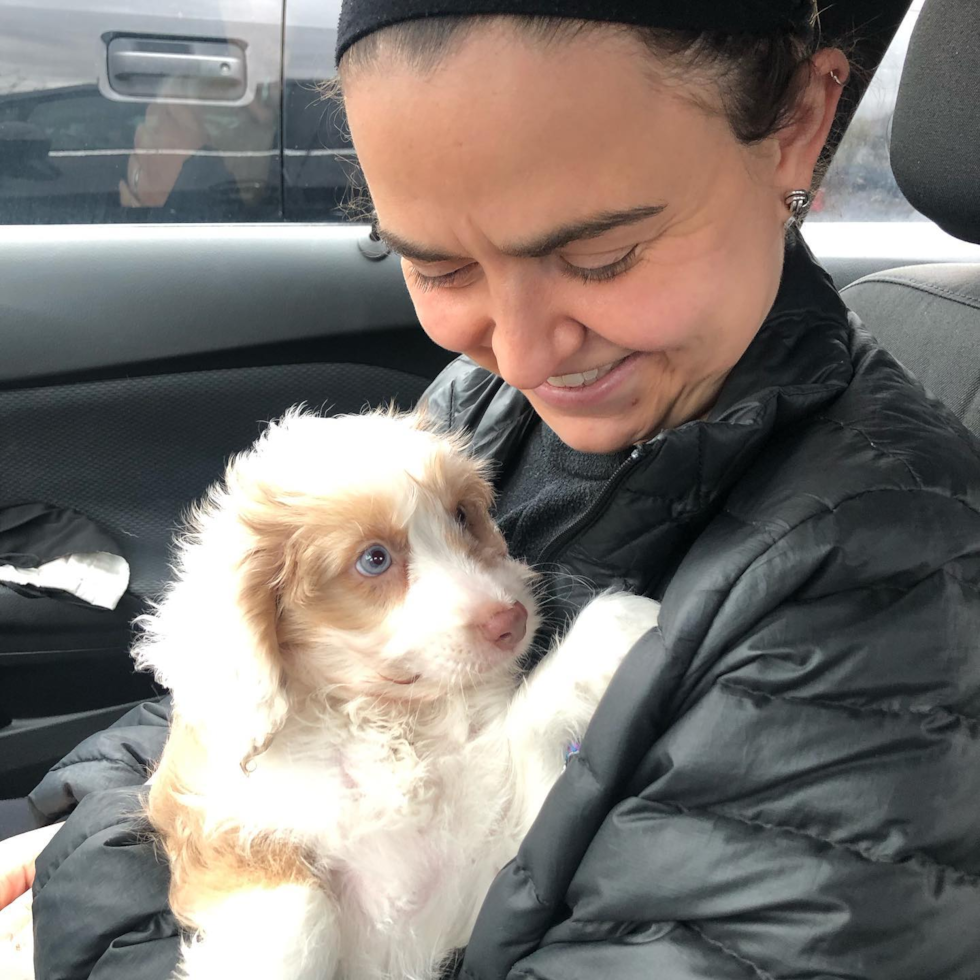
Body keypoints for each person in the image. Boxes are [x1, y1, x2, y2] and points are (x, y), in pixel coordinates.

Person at [3, 1, 980, 977]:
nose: (518, 347)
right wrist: (97, 840)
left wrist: (91, 887)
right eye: (436, 263)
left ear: (796, 130)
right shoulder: (490, 401)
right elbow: (203, 718)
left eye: (601, 256)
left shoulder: (892, 587)